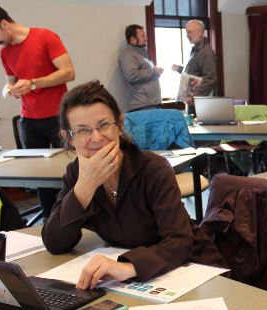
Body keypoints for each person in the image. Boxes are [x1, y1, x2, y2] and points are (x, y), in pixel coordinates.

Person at [41, 80, 227, 288]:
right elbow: (54, 243)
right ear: (69, 138)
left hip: (193, 271)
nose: (96, 137)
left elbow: (179, 243)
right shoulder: (76, 174)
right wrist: (84, 187)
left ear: (119, 125)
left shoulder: (153, 169)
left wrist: (127, 268)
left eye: (104, 125)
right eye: (82, 130)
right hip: (136, 287)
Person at [0, 1, 75, 220]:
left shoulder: (45, 37)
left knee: (69, 167)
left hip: (57, 115)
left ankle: (74, 214)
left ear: (4, 24)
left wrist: (34, 83)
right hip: (28, 119)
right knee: (38, 175)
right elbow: (11, 83)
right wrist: (11, 90)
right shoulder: (5, 52)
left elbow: (68, 72)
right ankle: (49, 220)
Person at [171, 19, 217, 115]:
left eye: (190, 32)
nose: (187, 35)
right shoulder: (196, 50)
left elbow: (210, 78)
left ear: (200, 32)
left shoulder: (206, 53)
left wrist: (194, 98)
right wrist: (179, 69)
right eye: (186, 32)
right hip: (194, 103)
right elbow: (193, 72)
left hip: (201, 104)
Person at [118, 24, 164, 113]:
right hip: (142, 106)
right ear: (133, 39)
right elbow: (131, 75)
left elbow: (146, 74)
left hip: (150, 104)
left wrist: (156, 73)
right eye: (142, 36)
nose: (146, 38)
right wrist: (154, 71)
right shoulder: (127, 55)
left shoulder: (141, 54)